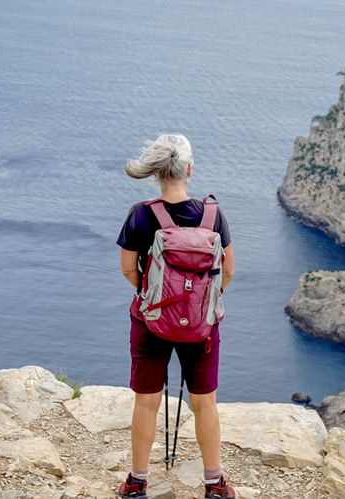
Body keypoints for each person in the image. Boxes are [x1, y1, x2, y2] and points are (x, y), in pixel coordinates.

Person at [115, 133, 236, 499]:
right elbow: (228, 270)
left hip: (151, 321)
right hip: (202, 326)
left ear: (157, 174)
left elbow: (126, 268)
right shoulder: (213, 215)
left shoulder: (142, 214)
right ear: (188, 169)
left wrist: (149, 295)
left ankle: (137, 482)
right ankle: (214, 484)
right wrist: (202, 302)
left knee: (147, 401)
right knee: (204, 403)